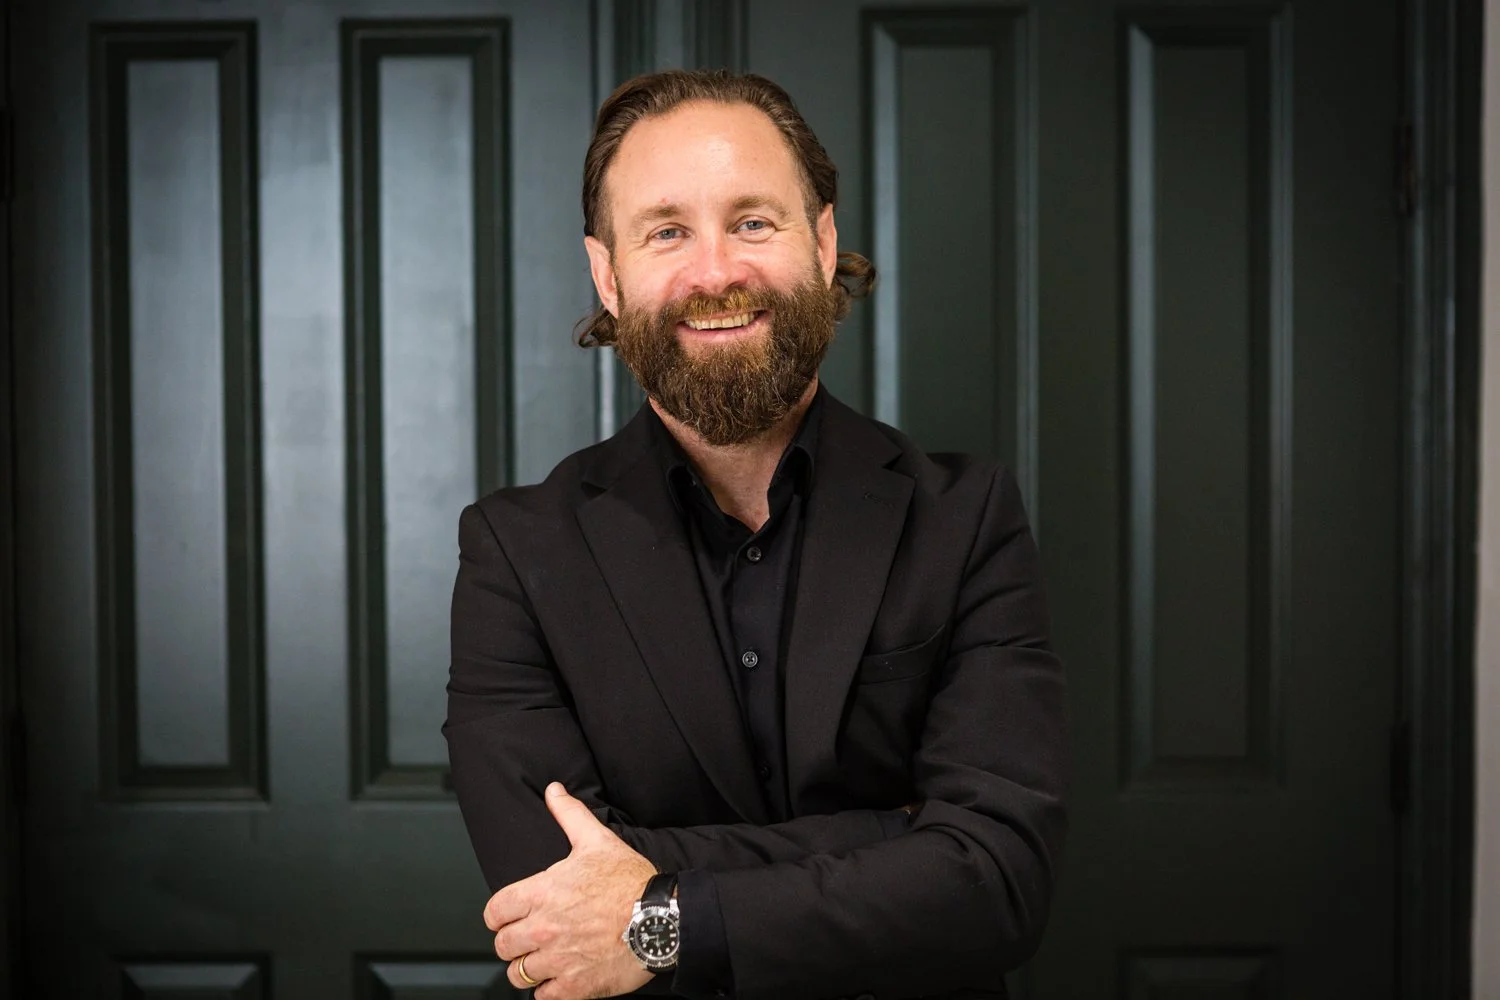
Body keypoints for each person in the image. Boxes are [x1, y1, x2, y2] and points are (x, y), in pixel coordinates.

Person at [445, 69, 1068, 1000]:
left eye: (753, 222)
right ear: (608, 276)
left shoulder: (966, 516)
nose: (716, 273)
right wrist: (892, 837)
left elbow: (996, 881)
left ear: (821, 241)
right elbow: (549, 887)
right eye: (666, 232)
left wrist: (664, 918)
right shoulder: (515, 551)